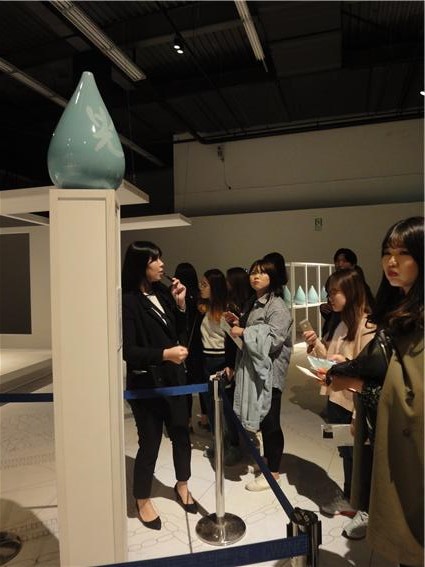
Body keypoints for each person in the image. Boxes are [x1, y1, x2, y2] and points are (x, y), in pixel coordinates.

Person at [327, 216, 424, 562]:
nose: (391, 262)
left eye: (403, 253)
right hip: (395, 437)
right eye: (386, 252)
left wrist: (360, 385)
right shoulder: (398, 311)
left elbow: (415, 396)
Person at [122, 242, 198, 531]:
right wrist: (165, 354)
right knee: (150, 442)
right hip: (146, 384)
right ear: (140, 265)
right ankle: (142, 497)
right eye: (155, 259)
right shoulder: (128, 300)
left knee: (181, 434)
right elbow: (130, 351)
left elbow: (178, 331)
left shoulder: (163, 292)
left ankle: (182, 484)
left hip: (174, 381)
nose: (162, 264)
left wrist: (180, 304)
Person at [303, 268, 375, 516]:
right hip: (337, 400)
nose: (330, 297)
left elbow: (368, 373)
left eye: (335, 292)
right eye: (329, 292)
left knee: (360, 457)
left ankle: (362, 507)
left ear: (351, 292)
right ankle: (350, 498)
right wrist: (316, 344)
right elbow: (330, 361)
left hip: (355, 404)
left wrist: (357, 413)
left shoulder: (367, 326)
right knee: (346, 452)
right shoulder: (343, 322)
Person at [226, 258, 292, 491]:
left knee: (271, 421)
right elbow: (255, 332)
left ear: (272, 278)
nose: (255, 276)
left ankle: (273, 473)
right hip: (255, 369)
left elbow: (273, 339)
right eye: (253, 272)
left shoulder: (277, 306)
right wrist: (238, 323)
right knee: (264, 419)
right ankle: (267, 461)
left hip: (270, 372)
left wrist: (245, 330)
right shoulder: (254, 302)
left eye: (262, 273)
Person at [198, 269, 228, 432]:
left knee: (222, 401)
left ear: (214, 287)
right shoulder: (205, 308)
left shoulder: (225, 310)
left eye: (205, 285)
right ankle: (217, 437)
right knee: (210, 400)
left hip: (220, 359)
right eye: (201, 284)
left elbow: (232, 338)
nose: (201, 287)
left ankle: (227, 439)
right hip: (206, 357)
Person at [174, 262, 203, 432]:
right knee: (203, 382)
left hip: (181, 344)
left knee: (185, 383)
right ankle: (206, 417)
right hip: (200, 344)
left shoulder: (177, 296)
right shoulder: (200, 298)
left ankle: (188, 421)